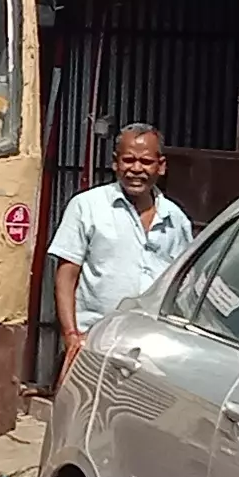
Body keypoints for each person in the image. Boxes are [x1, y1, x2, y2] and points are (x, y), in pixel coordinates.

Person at [47, 125, 195, 367]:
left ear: (161, 166)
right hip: (93, 343)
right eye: (128, 160)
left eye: (146, 161)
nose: (136, 169)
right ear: (115, 163)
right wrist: (71, 335)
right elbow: (66, 275)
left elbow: (184, 286)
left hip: (151, 351)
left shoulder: (176, 220)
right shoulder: (87, 206)